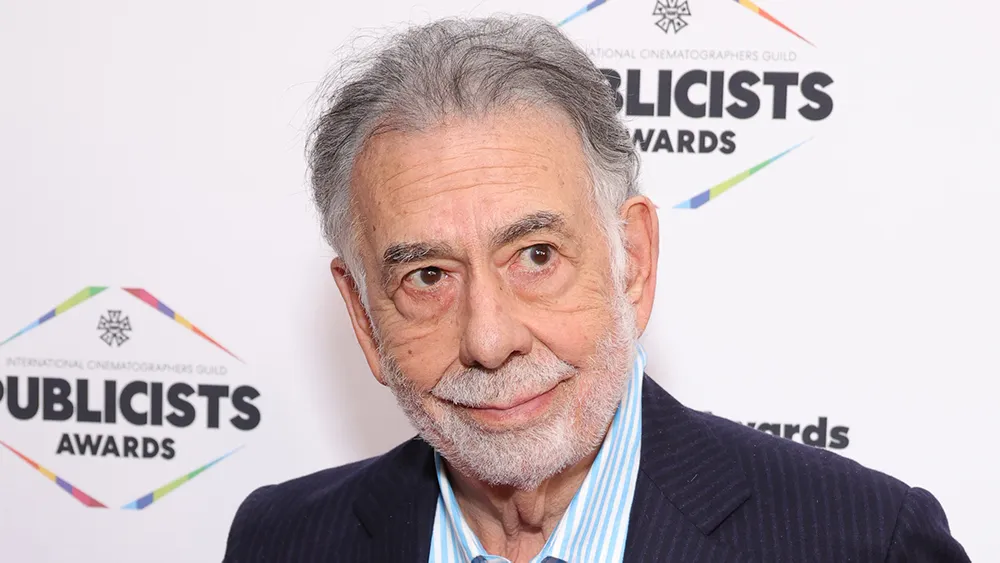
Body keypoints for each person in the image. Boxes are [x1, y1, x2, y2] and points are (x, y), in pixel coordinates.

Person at [222, 14, 969, 563]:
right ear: (363, 315)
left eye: (536, 255)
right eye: (428, 276)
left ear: (632, 261)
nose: (489, 339)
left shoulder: (862, 541)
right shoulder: (281, 541)